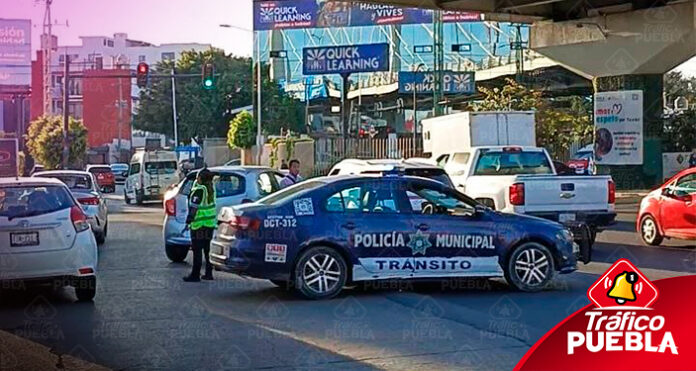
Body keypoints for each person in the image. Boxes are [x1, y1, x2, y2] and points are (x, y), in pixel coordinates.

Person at [183, 168, 217, 282]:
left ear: (201, 178)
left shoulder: (199, 190)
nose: (196, 179)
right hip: (209, 224)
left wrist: (189, 220)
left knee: (197, 250)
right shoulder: (211, 189)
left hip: (199, 225)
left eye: (198, 177)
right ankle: (208, 273)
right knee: (207, 249)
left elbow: (194, 207)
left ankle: (195, 274)